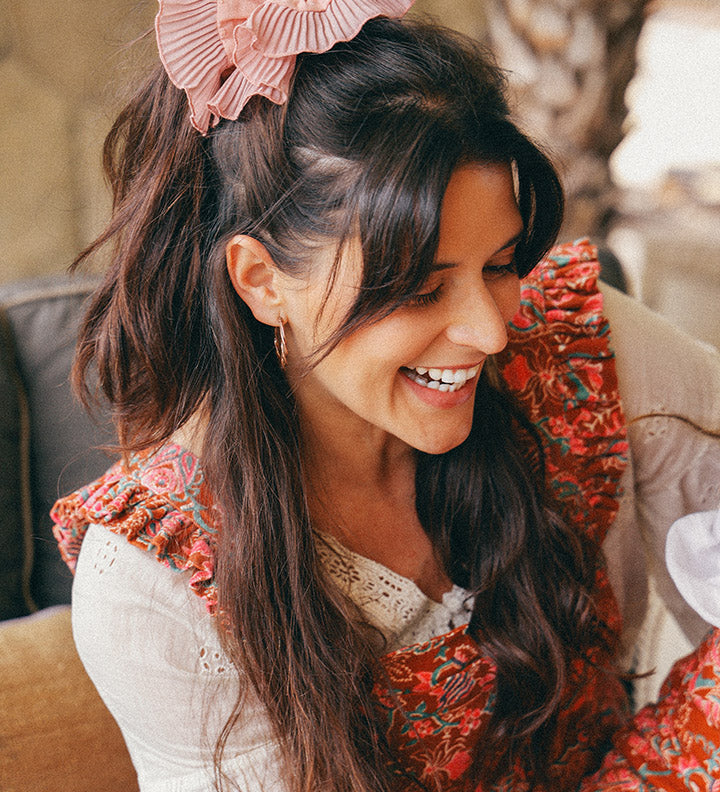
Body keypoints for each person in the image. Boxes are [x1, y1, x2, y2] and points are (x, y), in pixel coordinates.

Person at [51, 2, 720, 791]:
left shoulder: (579, 345)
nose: (490, 332)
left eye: (500, 265)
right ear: (262, 281)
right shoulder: (154, 584)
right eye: (421, 289)